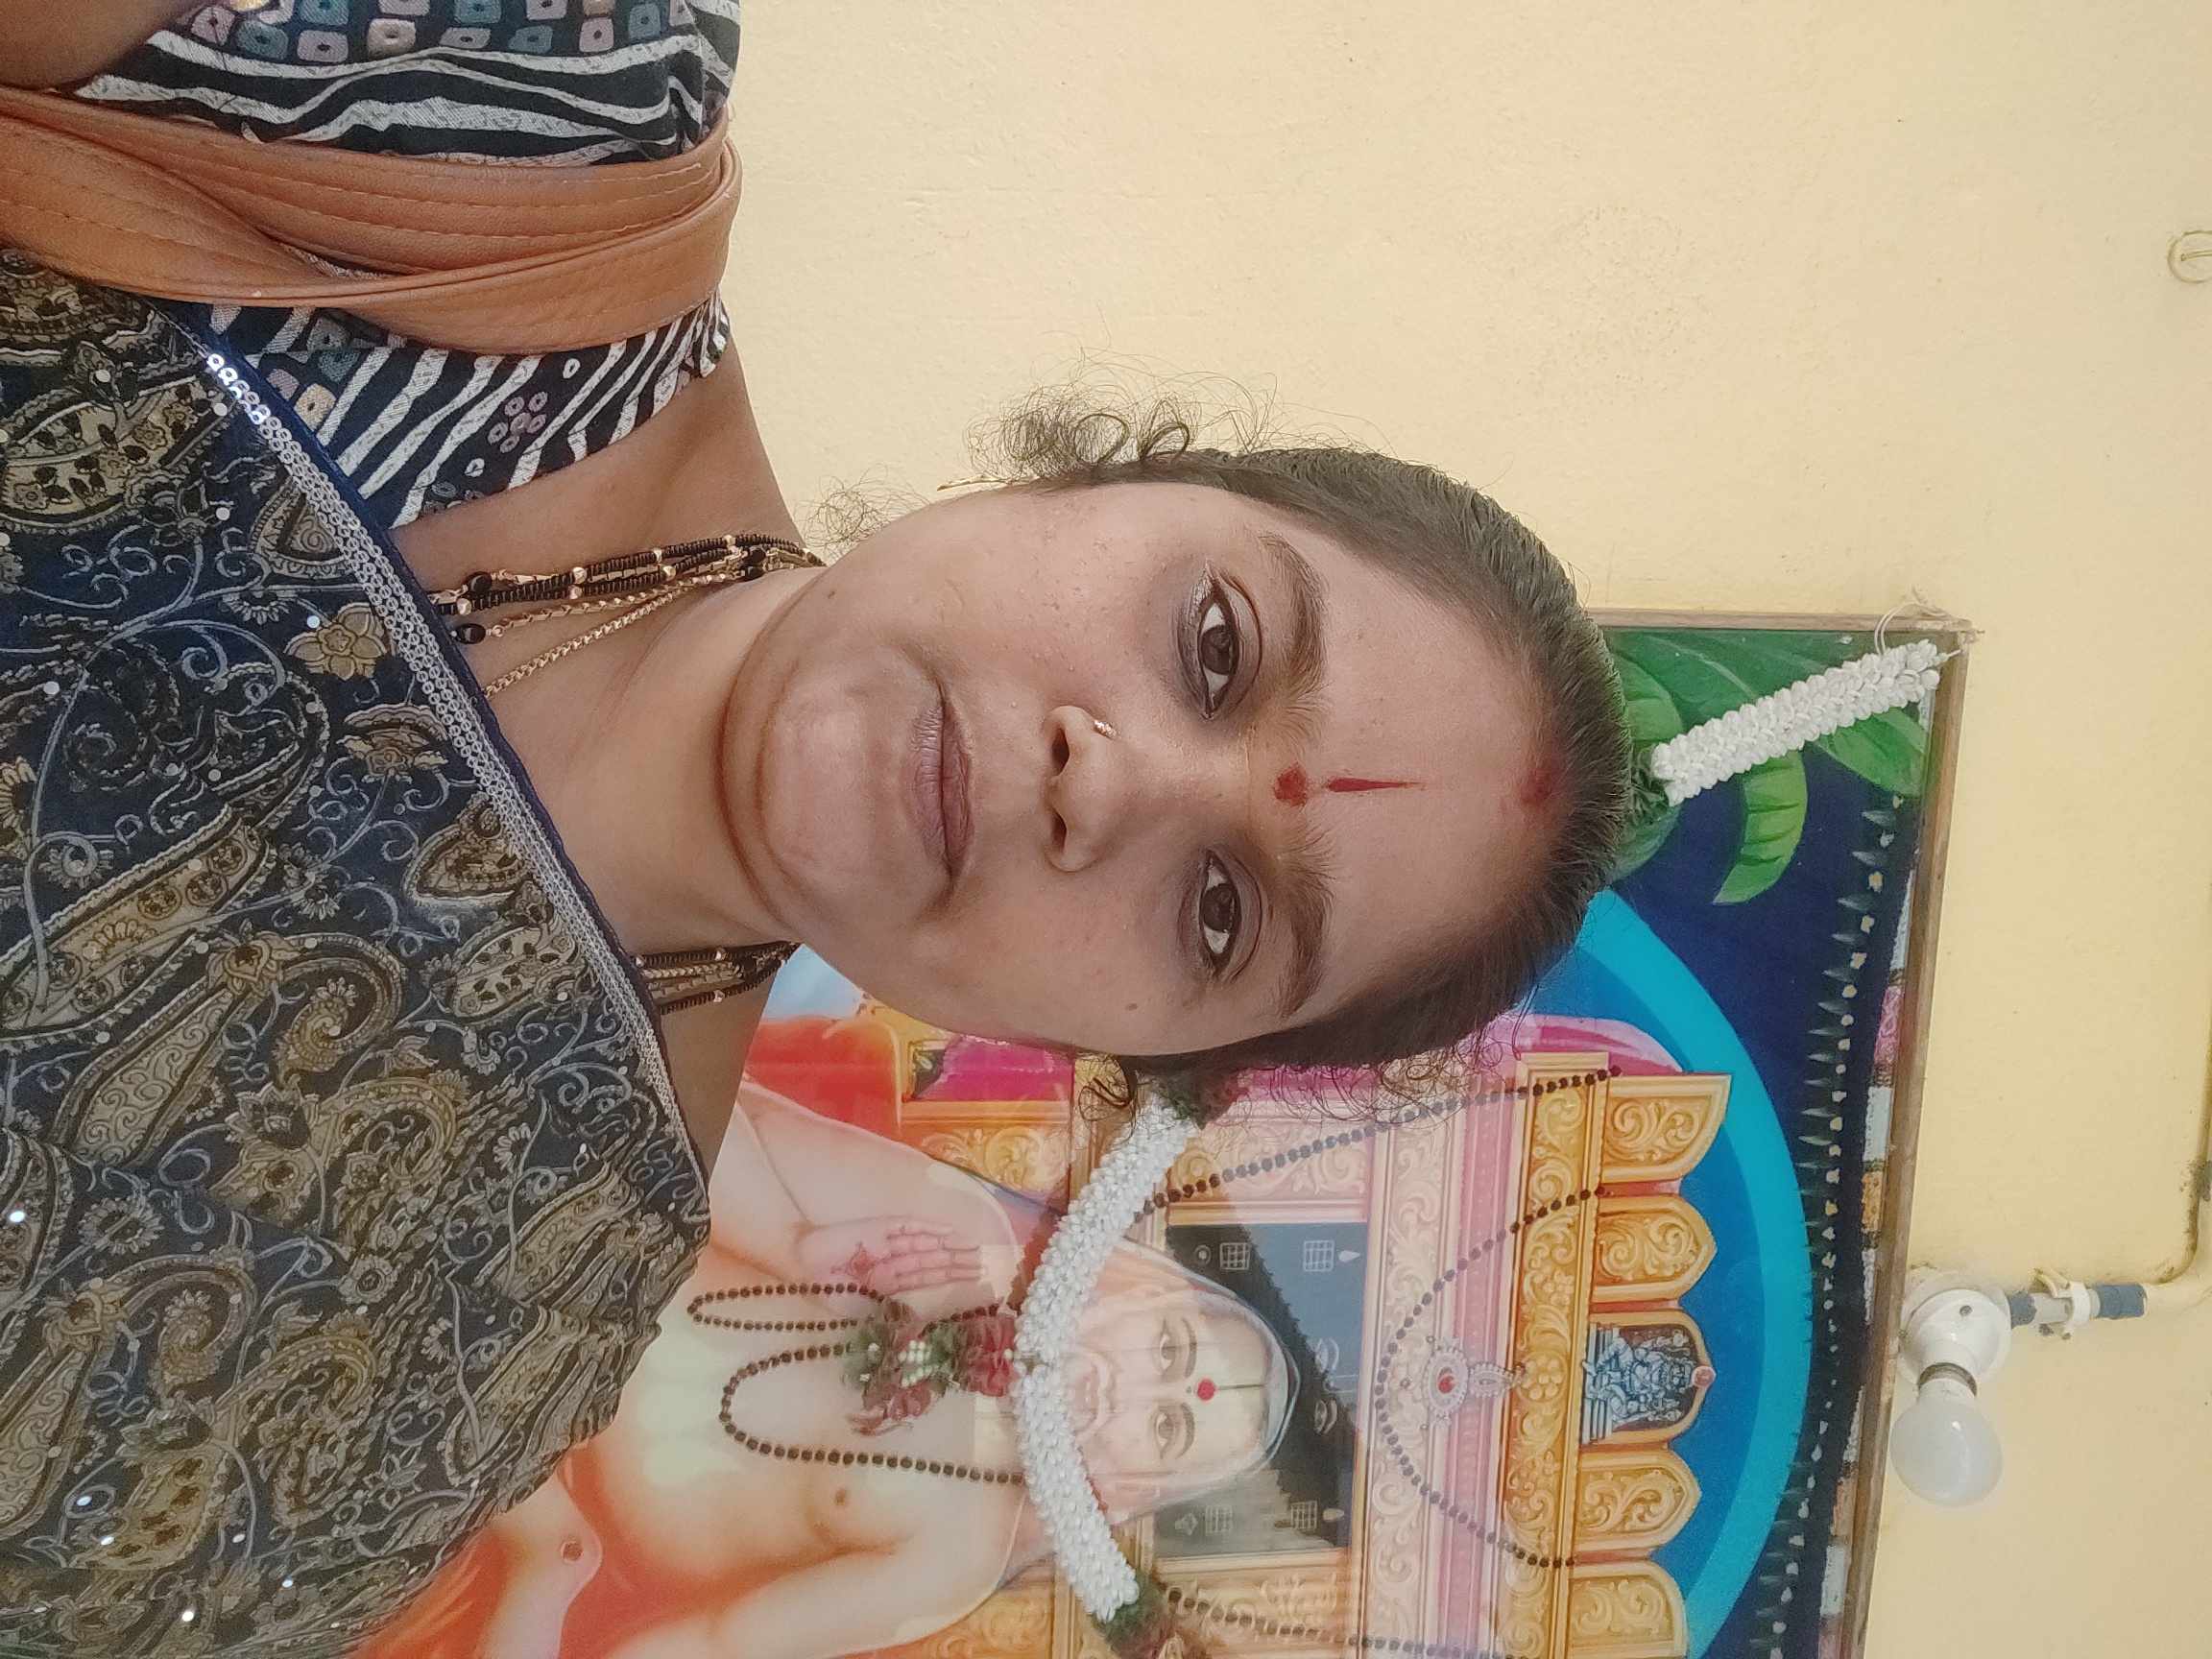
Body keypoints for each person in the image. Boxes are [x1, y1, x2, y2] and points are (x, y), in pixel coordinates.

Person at [0, 5, 1630, 1651]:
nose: (1113, 782)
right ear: (1108, 480)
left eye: (1220, 913)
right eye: (1217, 644)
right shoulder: (530, 111)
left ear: (1120, 1050)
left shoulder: (485, 1326)